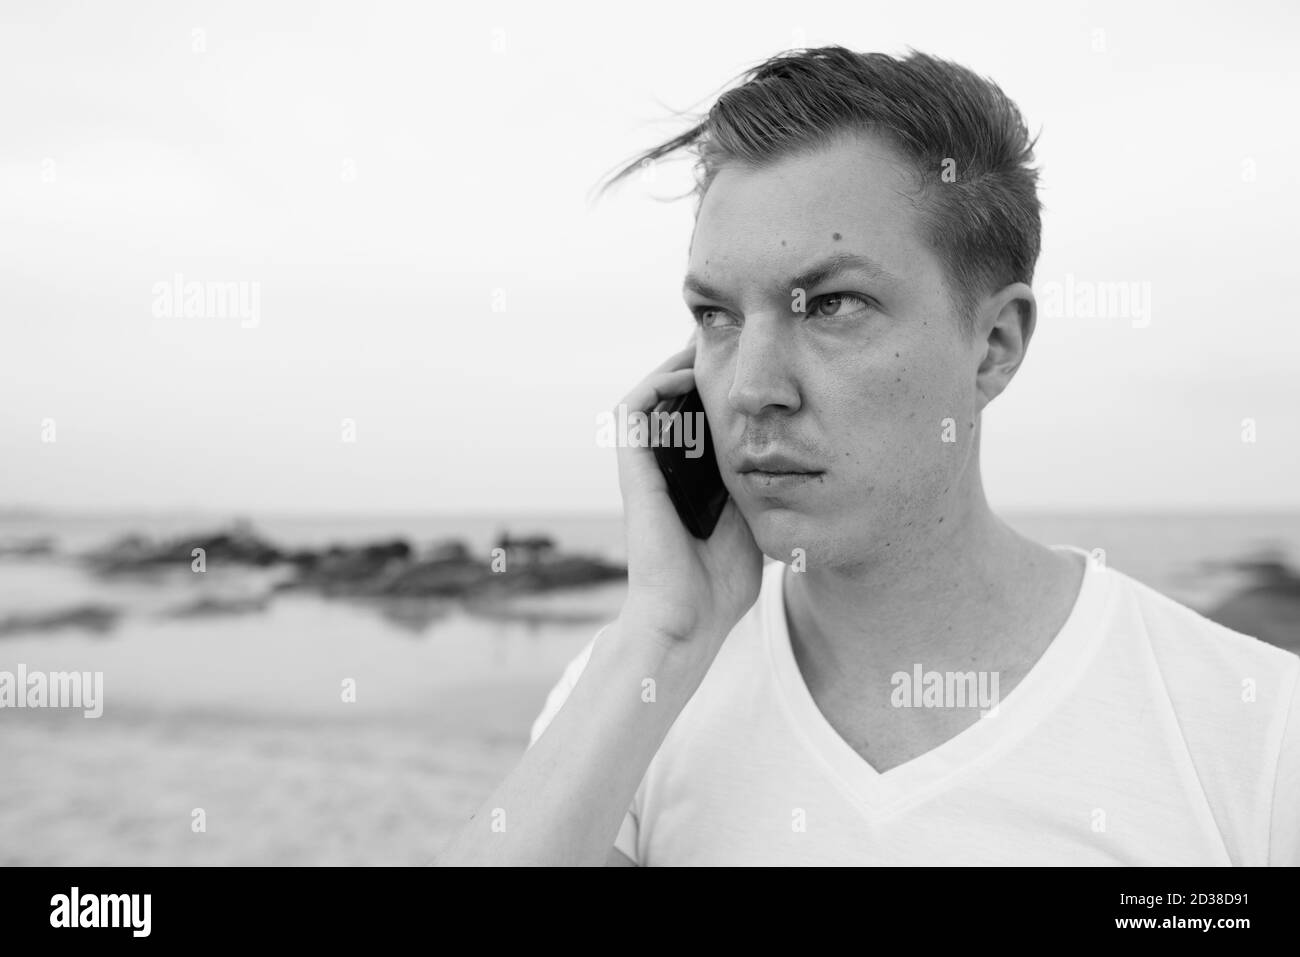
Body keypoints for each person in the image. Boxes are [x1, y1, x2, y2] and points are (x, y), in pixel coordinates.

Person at [434, 46, 1300, 866]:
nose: (749, 389)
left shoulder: (1253, 733)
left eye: (831, 304)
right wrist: (664, 637)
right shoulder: (633, 702)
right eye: (716, 315)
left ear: (993, 344)